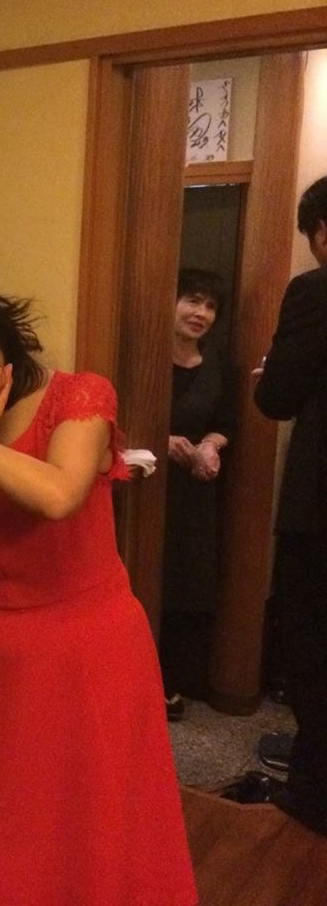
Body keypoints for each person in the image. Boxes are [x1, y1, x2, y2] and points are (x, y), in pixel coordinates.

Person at [0, 254, 197, 906]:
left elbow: (57, 495)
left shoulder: (80, 394)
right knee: (1, 841)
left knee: (98, 833)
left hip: (91, 652)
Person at [252, 173, 327, 837]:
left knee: (312, 645)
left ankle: (312, 793)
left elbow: (276, 397)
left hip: (322, 511)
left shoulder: (314, 291)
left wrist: (274, 371)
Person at [161, 268, 236, 721]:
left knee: (187, 585)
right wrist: (161, 440)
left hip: (195, 489)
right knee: (147, 576)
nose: (201, 313)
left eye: (210, 306)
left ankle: (170, 682)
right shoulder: (148, 357)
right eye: (192, 300)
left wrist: (210, 445)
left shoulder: (217, 364)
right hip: (150, 484)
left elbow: (226, 424)